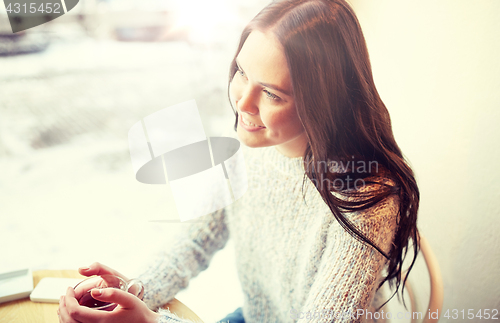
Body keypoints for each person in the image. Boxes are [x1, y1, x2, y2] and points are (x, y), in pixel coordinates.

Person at [57, 0, 419, 322]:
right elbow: (196, 241)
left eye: (272, 94)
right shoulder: (251, 149)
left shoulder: (367, 197)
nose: (242, 103)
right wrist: (129, 292)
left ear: (325, 102)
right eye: (243, 72)